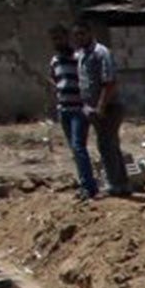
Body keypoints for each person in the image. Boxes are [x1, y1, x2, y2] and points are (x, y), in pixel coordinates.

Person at [75, 21, 130, 198]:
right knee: (110, 145)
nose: (79, 37)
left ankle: (115, 184)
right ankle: (122, 183)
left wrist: (101, 106)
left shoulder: (101, 52)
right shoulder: (82, 55)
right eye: (77, 34)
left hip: (108, 107)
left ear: (90, 32)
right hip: (93, 108)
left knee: (106, 145)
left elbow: (109, 82)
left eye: (83, 33)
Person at [49, 26, 97, 201]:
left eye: (60, 38)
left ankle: (88, 187)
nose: (57, 42)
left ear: (67, 38)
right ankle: (84, 181)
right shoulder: (55, 61)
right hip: (64, 110)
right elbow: (54, 80)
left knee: (78, 147)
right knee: (74, 148)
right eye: (54, 39)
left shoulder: (79, 58)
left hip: (78, 110)